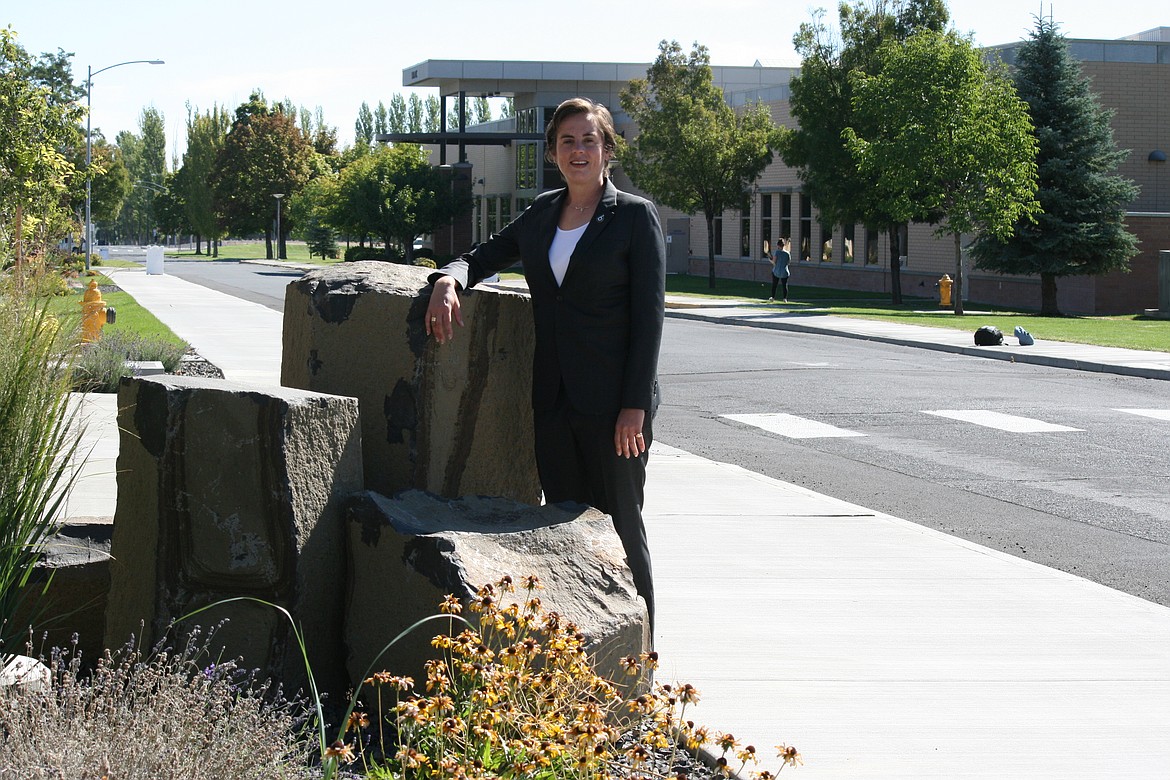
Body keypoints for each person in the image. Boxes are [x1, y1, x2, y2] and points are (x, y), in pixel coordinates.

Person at [425, 97, 667, 631]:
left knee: (623, 528)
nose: (578, 150)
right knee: (563, 528)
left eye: (588, 140)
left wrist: (634, 407)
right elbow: (480, 256)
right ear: (554, 153)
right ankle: (580, 661)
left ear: (607, 150)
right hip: (553, 401)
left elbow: (649, 321)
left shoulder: (633, 217)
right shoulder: (541, 214)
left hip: (614, 410)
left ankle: (643, 657)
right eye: (567, 141)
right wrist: (447, 281)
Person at [769, 238, 791, 302]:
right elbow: (788, 262)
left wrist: (770, 260)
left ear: (778, 245)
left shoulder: (777, 252)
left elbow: (774, 262)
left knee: (774, 285)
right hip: (785, 271)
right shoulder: (787, 253)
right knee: (784, 285)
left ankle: (773, 297)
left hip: (776, 271)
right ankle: (785, 298)